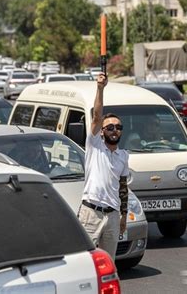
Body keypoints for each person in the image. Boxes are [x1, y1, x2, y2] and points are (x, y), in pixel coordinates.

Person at [77, 72, 129, 260]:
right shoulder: (94, 146)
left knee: (108, 263)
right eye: (110, 127)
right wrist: (100, 88)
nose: (114, 130)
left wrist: (123, 215)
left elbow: (123, 187)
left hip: (112, 217)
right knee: (86, 262)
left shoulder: (123, 156)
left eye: (118, 127)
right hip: (91, 214)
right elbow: (97, 117)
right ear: (101, 132)